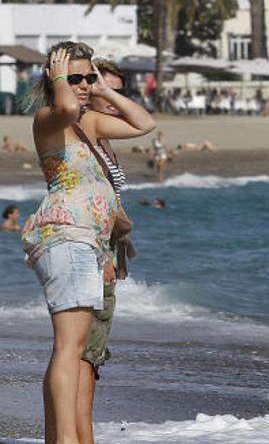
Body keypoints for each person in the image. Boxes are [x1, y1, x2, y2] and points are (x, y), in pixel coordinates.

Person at [21, 41, 155, 444]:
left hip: (86, 244)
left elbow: (143, 123)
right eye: (75, 78)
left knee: (70, 346)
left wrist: (100, 88)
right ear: (55, 78)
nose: (82, 85)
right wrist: (61, 79)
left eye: (87, 77)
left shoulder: (90, 121)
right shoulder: (49, 119)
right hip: (66, 235)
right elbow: (63, 107)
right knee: (70, 346)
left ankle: (56, 437)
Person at [72, 58, 135, 444]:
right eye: (103, 90)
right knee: (86, 353)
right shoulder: (84, 132)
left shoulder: (102, 136)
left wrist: (121, 242)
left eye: (117, 91)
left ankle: (76, 434)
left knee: (86, 352)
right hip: (94, 254)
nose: (112, 99)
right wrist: (103, 256)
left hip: (105, 250)